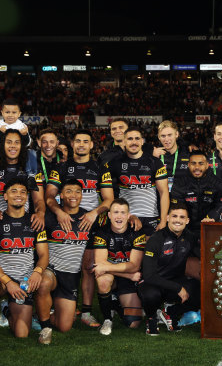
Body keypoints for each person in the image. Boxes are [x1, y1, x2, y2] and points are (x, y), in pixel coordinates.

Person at [45, 129, 115, 328]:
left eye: (86, 141)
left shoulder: (100, 167)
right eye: (78, 141)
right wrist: (59, 212)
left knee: (87, 267)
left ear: (92, 145)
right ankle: (51, 308)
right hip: (65, 220)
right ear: (72, 145)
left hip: (90, 222)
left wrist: (95, 213)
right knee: (60, 263)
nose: (82, 144)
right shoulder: (62, 167)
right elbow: (50, 196)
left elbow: (109, 199)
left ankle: (85, 312)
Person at [0, 178, 49, 352]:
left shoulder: (35, 222)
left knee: (22, 333)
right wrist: (8, 282)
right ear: (6, 196)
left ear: (27, 197)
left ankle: (6, 310)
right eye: (14, 191)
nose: (19, 195)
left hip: (25, 280)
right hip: (2, 280)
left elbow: (44, 255)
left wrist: (37, 272)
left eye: (23, 192)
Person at [35, 179, 96, 344]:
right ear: (60, 195)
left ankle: (42, 312)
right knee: (44, 283)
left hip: (71, 278)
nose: (73, 195)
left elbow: (89, 257)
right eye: (68, 191)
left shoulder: (89, 219)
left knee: (64, 327)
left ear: (82, 195)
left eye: (77, 191)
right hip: (52, 270)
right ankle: (45, 327)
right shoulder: (50, 218)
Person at [138, 202, 200, 335]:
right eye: (174, 216)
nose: (178, 220)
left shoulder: (190, 237)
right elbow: (148, 275)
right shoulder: (156, 239)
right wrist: (177, 288)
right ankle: (151, 318)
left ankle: (170, 313)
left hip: (174, 281)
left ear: (187, 221)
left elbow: (207, 245)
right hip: (153, 282)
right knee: (151, 295)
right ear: (167, 218)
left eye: (182, 217)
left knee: (199, 291)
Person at [92, 198, 146, 336]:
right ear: (109, 215)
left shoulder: (137, 232)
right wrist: (128, 274)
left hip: (125, 276)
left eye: (123, 213)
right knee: (103, 280)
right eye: (115, 212)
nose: (119, 216)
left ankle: (114, 303)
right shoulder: (101, 233)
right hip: (119, 275)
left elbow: (134, 266)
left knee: (133, 323)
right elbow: (100, 265)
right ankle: (107, 319)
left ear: (129, 216)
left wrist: (129, 273)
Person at [0, 129, 44, 229]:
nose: (13, 146)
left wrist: (40, 213)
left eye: (17, 142)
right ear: (2, 145)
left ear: (22, 146)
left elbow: (39, 200)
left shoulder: (30, 169)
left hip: (23, 224)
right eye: (9, 142)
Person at [109, 126, 169, 236]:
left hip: (150, 217)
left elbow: (164, 192)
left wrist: (164, 221)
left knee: (149, 252)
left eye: (137, 139)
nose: (134, 142)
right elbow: (103, 187)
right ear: (124, 142)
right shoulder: (115, 163)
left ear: (142, 142)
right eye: (130, 139)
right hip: (126, 217)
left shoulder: (155, 162)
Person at [170, 150, 222, 234]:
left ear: (207, 165)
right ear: (188, 165)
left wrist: (211, 217)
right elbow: (177, 208)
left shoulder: (217, 183)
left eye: (201, 163)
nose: (197, 167)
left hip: (210, 226)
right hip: (186, 229)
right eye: (193, 163)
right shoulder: (179, 183)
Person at [157, 120, 190, 191]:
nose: (166, 139)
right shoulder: (154, 157)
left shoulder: (188, 154)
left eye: (169, 135)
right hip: (160, 199)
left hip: (181, 200)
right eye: (163, 136)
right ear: (159, 137)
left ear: (176, 134)